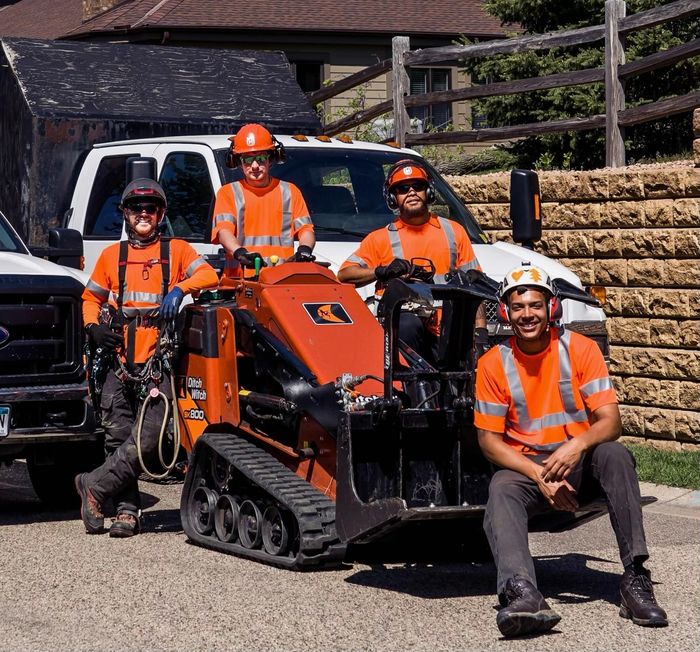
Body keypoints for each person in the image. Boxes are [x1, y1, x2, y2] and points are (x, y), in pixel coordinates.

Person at [474, 263, 668, 638]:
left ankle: (635, 580)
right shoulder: (493, 364)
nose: (527, 314)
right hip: (528, 473)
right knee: (501, 487)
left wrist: (577, 446)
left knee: (615, 455)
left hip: (578, 465)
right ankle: (522, 593)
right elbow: (489, 442)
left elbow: (611, 422)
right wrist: (540, 477)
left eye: (535, 305)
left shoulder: (580, 350)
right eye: (517, 307)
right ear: (505, 313)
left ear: (552, 308)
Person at [75, 178, 218, 538]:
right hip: (117, 359)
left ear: (161, 214)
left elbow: (209, 274)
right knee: (118, 435)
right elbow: (90, 298)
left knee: (150, 439)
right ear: (124, 214)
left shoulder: (178, 251)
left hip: (158, 360)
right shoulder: (111, 256)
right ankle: (127, 512)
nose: (143, 214)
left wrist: (179, 289)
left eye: (150, 209)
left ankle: (93, 486)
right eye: (136, 208)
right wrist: (93, 328)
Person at [337, 159, 484, 359]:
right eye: (403, 189)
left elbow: (475, 285)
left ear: (429, 192)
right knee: (406, 325)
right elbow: (344, 275)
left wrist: (481, 333)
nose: (412, 192)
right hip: (405, 329)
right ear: (393, 198)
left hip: (448, 329)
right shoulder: (379, 238)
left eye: (418, 186)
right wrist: (381, 271)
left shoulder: (454, 231)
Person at [211, 123, 315, 275]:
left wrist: (305, 249)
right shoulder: (228, 193)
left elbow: (306, 230)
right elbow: (223, 231)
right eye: (247, 159)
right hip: (240, 283)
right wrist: (240, 252)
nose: (254, 166)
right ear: (239, 162)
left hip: (281, 280)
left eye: (260, 158)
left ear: (270, 159)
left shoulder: (290, 192)